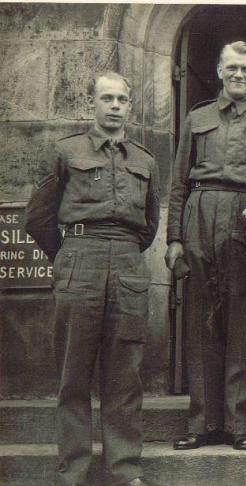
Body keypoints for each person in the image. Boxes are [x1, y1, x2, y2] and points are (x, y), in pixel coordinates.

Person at [25, 71, 159, 486]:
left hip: (127, 265)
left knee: (125, 376)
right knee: (73, 375)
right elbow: (37, 217)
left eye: (122, 99)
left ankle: (124, 470)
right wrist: (66, 256)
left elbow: (150, 225)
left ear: (130, 107)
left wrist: (123, 254)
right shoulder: (66, 152)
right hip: (79, 260)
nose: (115, 106)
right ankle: (74, 473)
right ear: (92, 105)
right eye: (107, 98)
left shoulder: (145, 160)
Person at [165, 41, 246, 451]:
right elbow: (179, 182)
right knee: (201, 319)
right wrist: (175, 239)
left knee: (241, 320)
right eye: (231, 68)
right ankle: (201, 424)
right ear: (219, 70)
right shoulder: (197, 117)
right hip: (200, 213)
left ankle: (240, 424)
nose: (238, 75)